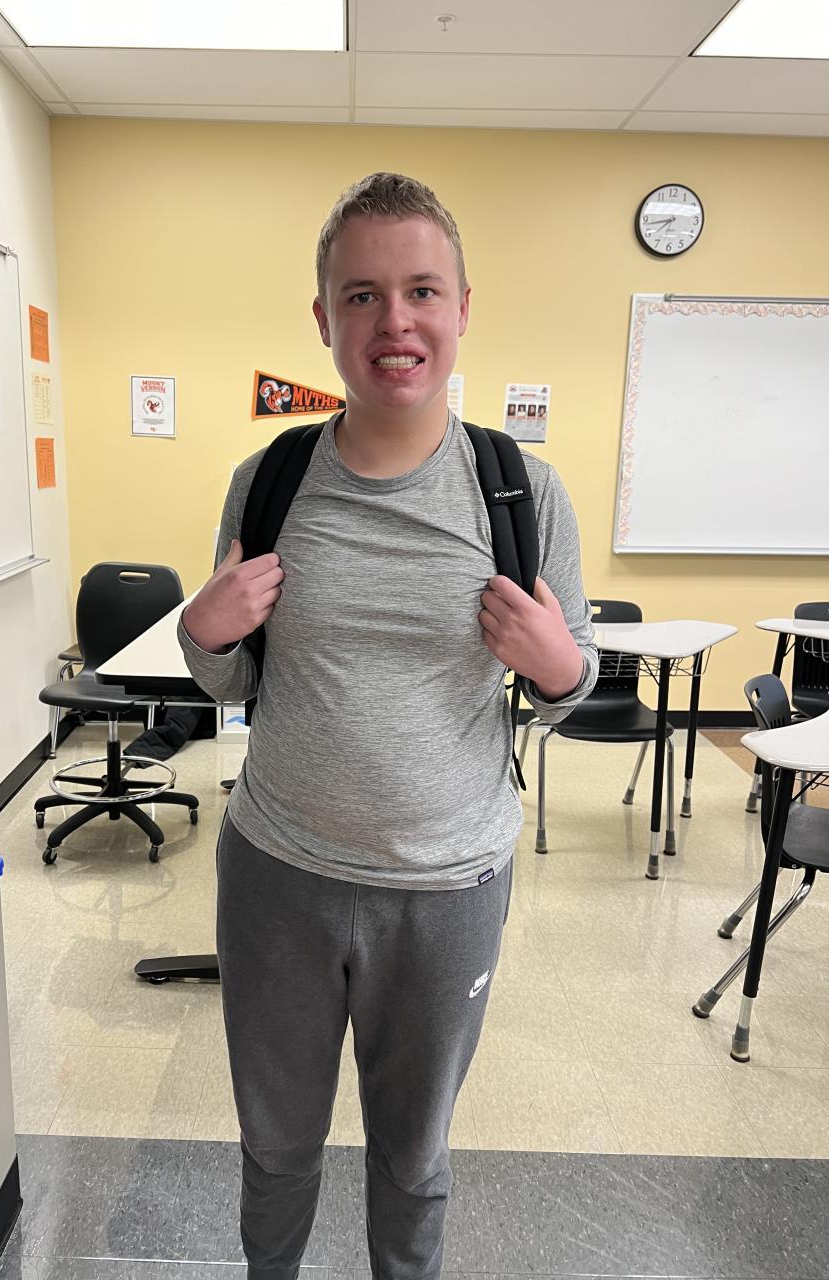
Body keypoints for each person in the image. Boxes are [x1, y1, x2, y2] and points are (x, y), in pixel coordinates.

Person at [177, 172, 598, 1280]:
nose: (394, 321)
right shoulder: (269, 481)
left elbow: (572, 685)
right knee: (276, 1149)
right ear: (323, 318)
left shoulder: (521, 493)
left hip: (448, 889)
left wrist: (557, 664)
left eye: (421, 290)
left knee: (413, 1158)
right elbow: (228, 679)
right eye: (361, 295)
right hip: (278, 875)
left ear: (463, 308)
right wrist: (202, 632)